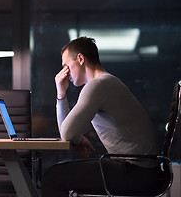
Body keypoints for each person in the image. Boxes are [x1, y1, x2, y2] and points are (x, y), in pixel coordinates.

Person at [41, 37, 163, 197]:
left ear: (80, 58)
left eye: (66, 66)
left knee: (52, 177)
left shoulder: (97, 85)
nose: (65, 73)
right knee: (58, 172)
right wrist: (77, 137)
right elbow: (69, 132)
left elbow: (66, 134)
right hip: (144, 170)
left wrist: (60, 94)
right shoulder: (105, 83)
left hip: (136, 172)